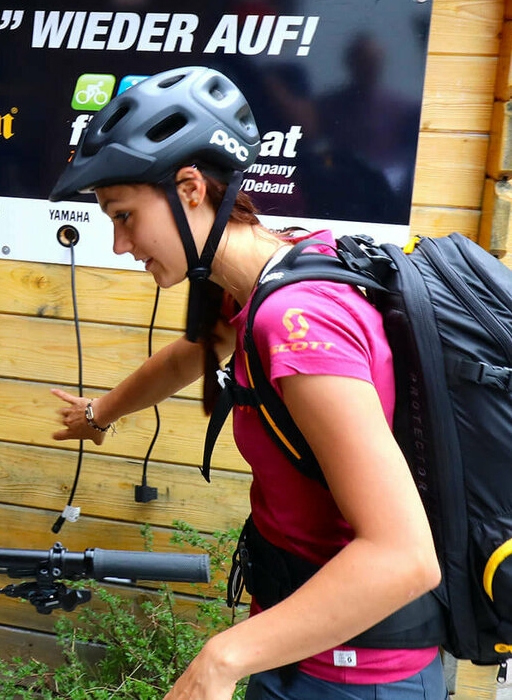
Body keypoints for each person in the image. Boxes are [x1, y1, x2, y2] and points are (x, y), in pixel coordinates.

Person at [48, 66, 444, 700]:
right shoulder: (274, 268)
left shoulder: (298, 318)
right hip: (296, 641)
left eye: (125, 217)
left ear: (190, 188)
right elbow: (192, 353)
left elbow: (405, 556)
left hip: (355, 676)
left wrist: (220, 659)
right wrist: (101, 414)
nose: (120, 245)